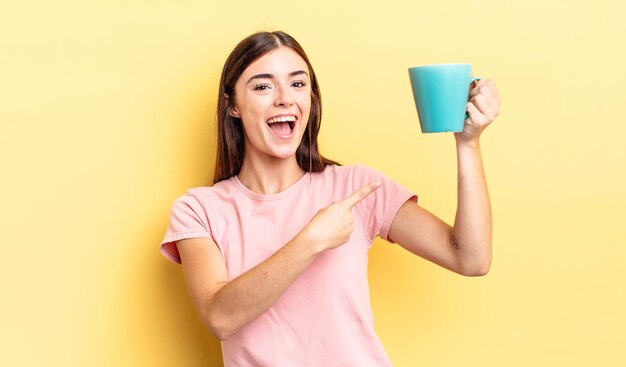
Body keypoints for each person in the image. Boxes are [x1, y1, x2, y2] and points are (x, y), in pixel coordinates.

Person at [160, 31, 500, 366]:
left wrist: (467, 144)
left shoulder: (355, 187)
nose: (284, 98)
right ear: (232, 104)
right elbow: (220, 317)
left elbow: (470, 258)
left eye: (297, 83)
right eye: (263, 86)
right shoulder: (199, 210)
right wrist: (311, 241)